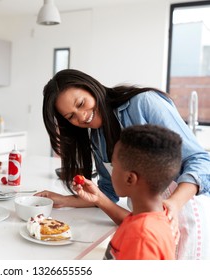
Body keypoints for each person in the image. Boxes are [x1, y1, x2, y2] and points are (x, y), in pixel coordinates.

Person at [36, 69, 210, 259]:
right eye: (71, 117)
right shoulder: (96, 137)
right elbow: (107, 193)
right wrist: (65, 200)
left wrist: (174, 205)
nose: (81, 116)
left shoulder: (144, 103)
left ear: (91, 88)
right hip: (154, 220)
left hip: (186, 210)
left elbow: (200, 160)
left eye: (81, 104)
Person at [75, 124, 180, 259]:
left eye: (113, 166)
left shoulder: (141, 238)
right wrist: (98, 198)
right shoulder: (154, 216)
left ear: (130, 178)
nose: (111, 172)